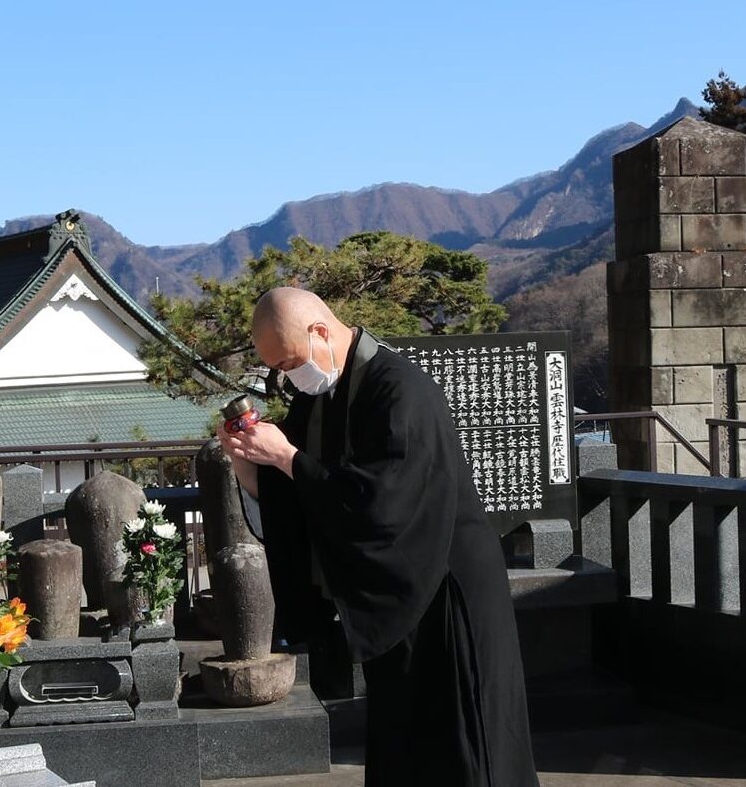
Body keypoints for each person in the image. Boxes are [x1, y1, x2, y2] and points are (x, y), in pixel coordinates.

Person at [218, 287, 538, 787]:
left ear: (320, 332)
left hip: (445, 591)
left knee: (467, 744)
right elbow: (301, 494)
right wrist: (249, 462)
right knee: (403, 744)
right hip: (393, 601)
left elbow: (381, 506)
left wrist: (285, 457)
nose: (286, 377)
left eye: (289, 361)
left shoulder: (400, 388)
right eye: (276, 368)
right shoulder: (320, 396)